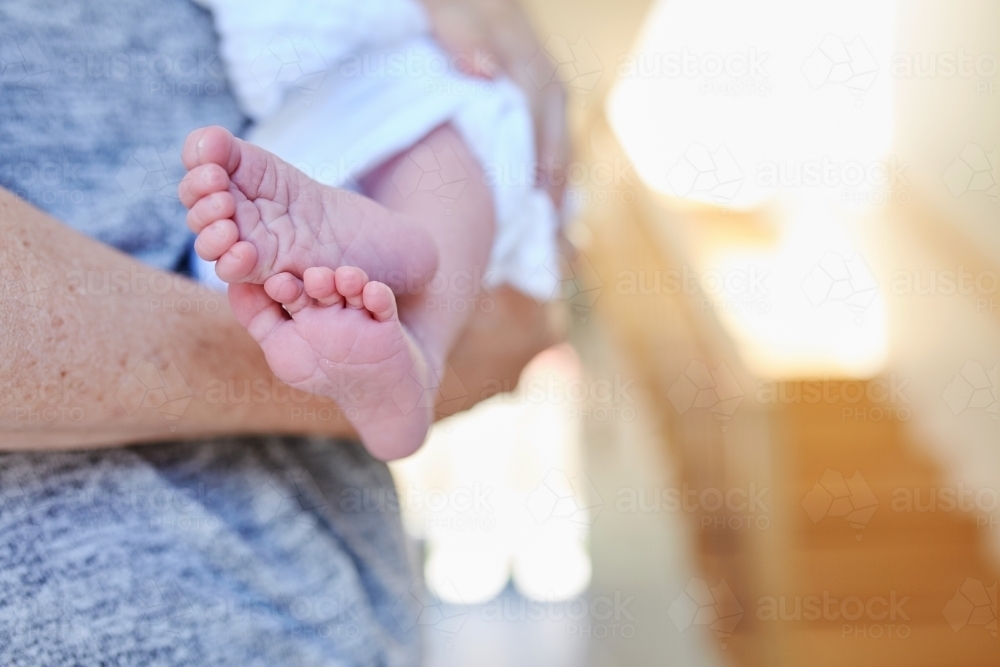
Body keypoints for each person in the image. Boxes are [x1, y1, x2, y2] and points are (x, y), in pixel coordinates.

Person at [0, 0, 566, 664]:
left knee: (437, 110)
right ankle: (404, 317)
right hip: (283, 162)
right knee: (402, 141)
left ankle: (401, 290)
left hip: (316, 108)